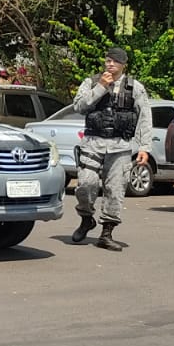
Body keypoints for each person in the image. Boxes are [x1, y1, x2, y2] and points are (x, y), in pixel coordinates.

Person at [70, 47, 153, 251]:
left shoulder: (135, 87)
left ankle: (106, 233)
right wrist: (100, 87)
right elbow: (79, 106)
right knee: (85, 184)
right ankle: (86, 218)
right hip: (93, 143)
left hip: (120, 147)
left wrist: (145, 147)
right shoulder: (91, 82)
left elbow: (144, 117)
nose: (110, 64)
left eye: (115, 61)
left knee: (115, 190)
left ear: (123, 65)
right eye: (107, 60)